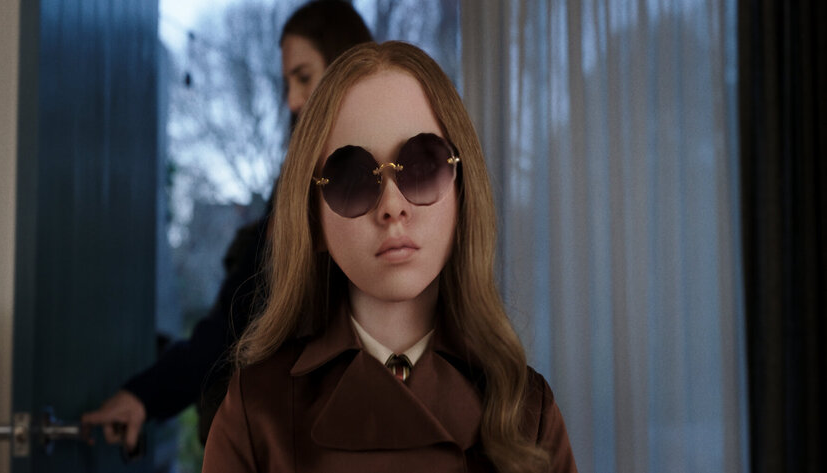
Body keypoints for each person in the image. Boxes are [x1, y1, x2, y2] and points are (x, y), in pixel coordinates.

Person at [202, 41, 577, 473]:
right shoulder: (256, 412)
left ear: (462, 194)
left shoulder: (527, 412)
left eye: (423, 166)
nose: (392, 206)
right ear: (313, 220)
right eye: (351, 178)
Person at [81, 0, 373, 452]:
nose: (292, 101)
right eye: (287, 83)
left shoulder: (383, 192)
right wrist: (144, 397)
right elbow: (233, 321)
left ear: (344, 69)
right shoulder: (294, 190)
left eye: (304, 77)